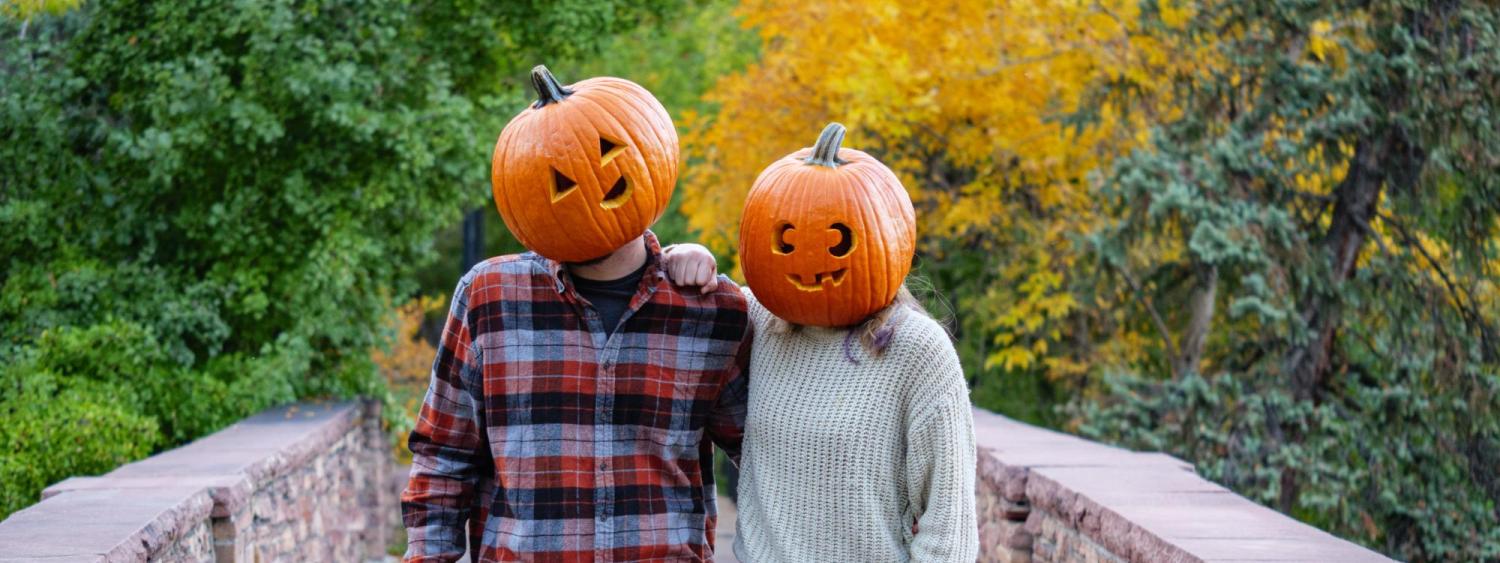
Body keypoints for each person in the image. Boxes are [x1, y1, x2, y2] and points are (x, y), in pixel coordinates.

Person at [401, 66, 751, 562]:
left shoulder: (712, 311)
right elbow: (443, 459)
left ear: (644, 156)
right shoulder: (488, 297)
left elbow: (767, 459)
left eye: (607, 154)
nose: (584, 190)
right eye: (559, 181)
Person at [663, 122, 978, 562]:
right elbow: (701, 296)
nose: (809, 261)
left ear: (886, 237)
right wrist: (684, 254)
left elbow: (949, 531)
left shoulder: (916, 349)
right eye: (787, 243)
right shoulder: (761, 322)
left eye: (836, 243)